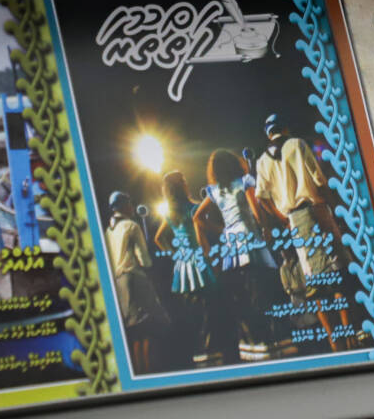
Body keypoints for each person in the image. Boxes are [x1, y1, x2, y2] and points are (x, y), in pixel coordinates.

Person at [253, 114, 352, 350]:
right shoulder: (297, 144)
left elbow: (261, 197)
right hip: (316, 210)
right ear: (285, 128)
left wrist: (282, 218)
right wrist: (335, 211)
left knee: (316, 285)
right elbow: (319, 180)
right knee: (338, 276)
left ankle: (334, 342)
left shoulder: (262, 161)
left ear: (268, 133)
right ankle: (349, 337)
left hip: (294, 220)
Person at [195, 149, 278, 350]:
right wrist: (265, 227)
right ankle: (266, 336)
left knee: (241, 293)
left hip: (231, 243)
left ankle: (252, 338)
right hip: (249, 237)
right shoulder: (245, 181)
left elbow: (197, 217)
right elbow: (255, 209)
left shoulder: (214, 191)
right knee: (259, 287)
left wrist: (221, 229)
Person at [154, 171, 218, 366]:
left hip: (183, 266)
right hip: (199, 261)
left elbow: (158, 238)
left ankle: (199, 352)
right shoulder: (194, 208)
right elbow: (203, 235)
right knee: (209, 308)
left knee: (192, 311)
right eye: (183, 180)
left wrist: (174, 254)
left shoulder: (169, 213)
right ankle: (211, 350)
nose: (186, 182)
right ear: (180, 186)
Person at [106, 190, 171, 372]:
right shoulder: (131, 226)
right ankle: (151, 371)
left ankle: (140, 372)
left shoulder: (109, 230)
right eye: (129, 203)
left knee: (135, 331)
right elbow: (143, 259)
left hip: (118, 282)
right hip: (135, 278)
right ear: (124, 205)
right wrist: (152, 270)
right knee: (148, 327)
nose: (132, 206)